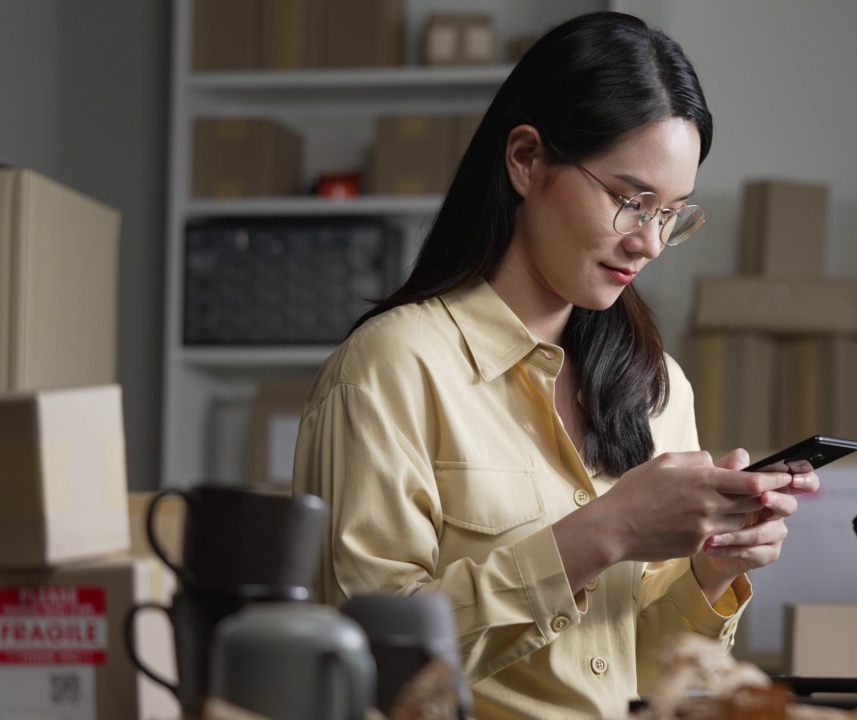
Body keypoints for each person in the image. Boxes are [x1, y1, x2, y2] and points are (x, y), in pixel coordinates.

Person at [292, 11, 821, 720]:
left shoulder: (658, 387)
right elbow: (372, 660)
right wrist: (605, 534)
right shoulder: (392, 366)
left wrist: (712, 569)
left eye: (672, 214)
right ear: (525, 159)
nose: (650, 243)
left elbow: (641, 669)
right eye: (631, 201)